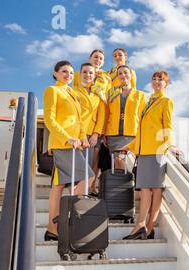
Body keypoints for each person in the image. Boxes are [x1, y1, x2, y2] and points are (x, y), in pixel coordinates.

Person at [123, 70, 179, 240]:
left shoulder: (166, 101)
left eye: (160, 80)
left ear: (166, 84)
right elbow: (142, 130)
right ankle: (141, 226)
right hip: (143, 151)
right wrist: (130, 146)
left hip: (157, 151)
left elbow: (167, 125)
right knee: (145, 189)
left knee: (155, 189)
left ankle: (147, 226)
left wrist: (170, 145)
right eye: (154, 79)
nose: (156, 82)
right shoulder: (148, 102)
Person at [43, 61, 94, 241]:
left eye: (71, 73)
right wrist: (67, 138)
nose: (68, 75)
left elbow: (79, 121)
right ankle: (65, 217)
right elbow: (49, 119)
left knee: (58, 185)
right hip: (62, 144)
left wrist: (83, 138)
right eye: (64, 71)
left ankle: (53, 228)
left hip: (74, 145)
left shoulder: (73, 93)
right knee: (88, 177)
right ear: (55, 73)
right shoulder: (53, 90)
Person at [73, 49, 111, 193]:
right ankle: (78, 189)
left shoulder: (106, 78)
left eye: (101, 58)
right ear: (90, 58)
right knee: (79, 162)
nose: (98, 60)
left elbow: (104, 105)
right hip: (77, 128)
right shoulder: (77, 75)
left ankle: (90, 187)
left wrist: (98, 132)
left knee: (94, 159)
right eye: (95, 57)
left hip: (95, 127)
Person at [104, 65, 145, 170]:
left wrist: (142, 134)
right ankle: (125, 185)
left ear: (131, 75)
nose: (123, 75)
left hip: (131, 135)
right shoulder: (111, 93)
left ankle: (131, 183)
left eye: (125, 72)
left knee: (128, 163)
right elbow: (106, 114)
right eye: (120, 73)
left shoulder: (140, 95)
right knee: (117, 163)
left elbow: (142, 117)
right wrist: (103, 133)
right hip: (113, 136)